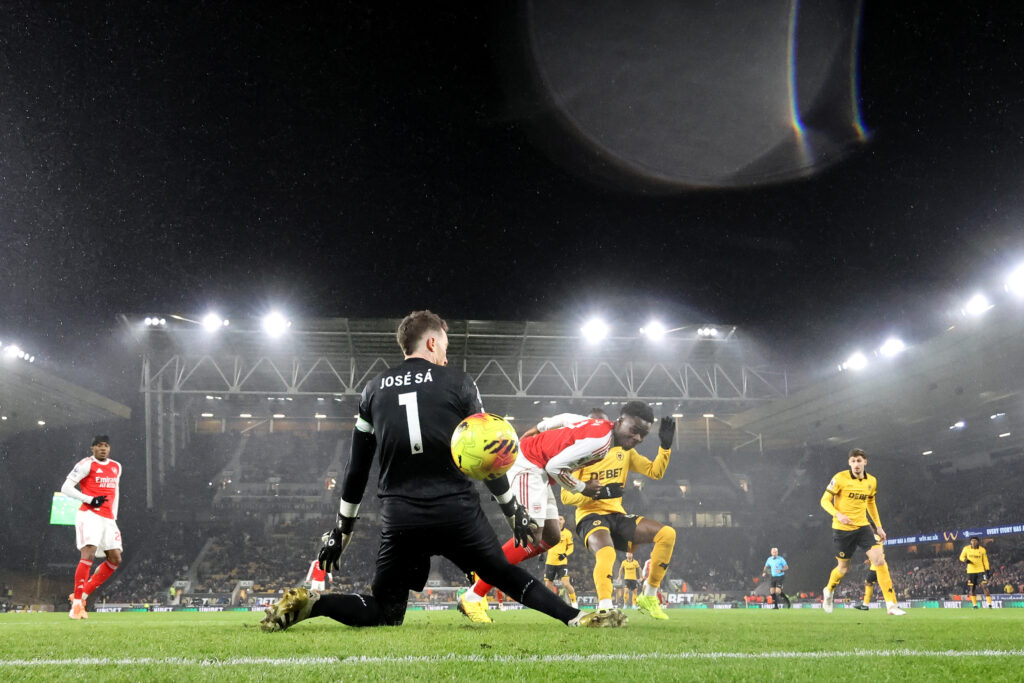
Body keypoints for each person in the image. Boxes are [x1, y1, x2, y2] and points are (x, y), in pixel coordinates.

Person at [260, 311, 625, 632]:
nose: (446, 355)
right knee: (501, 572)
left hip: (400, 516)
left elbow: (357, 468)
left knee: (385, 611)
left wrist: (341, 531)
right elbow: (490, 455)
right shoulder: (460, 383)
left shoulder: (373, 390)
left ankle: (314, 604)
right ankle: (574, 617)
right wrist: (513, 510)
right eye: (445, 346)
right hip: (456, 511)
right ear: (432, 342)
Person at [460, 402, 656, 621]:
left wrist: (540, 427)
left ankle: (483, 578)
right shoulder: (601, 444)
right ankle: (475, 594)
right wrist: (584, 488)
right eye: (634, 430)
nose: (638, 438)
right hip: (530, 466)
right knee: (531, 538)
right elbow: (555, 466)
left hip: (541, 472)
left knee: (552, 536)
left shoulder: (600, 425)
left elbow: (564, 418)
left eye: (644, 435)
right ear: (620, 421)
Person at [560, 412, 676, 620]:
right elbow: (566, 496)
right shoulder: (577, 454)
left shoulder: (624, 451)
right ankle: (605, 607)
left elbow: (655, 472)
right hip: (590, 515)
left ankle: (649, 595)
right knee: (607, 553)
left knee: (667, 534)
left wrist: (665, 447)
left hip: (617, 515)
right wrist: (597, 492)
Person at [819, 448, 905, 616]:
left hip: (863, 527)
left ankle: (891, 604)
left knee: (879, 560)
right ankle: (828, 591)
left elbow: (871, 503)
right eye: (853, 461)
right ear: (849, 463)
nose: (856, 464)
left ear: (865, 462)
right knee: (843, 569)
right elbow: (824, 500)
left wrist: (878, 526)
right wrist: (838, 514)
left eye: (859, 461)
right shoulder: (839, 478)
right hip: (842, 530)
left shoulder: (872, 481)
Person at [60, 435, 123, 620]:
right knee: (89, 553)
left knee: (115, 559)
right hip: (89, 515)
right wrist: (90, 500)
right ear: (92, 448)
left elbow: (115, 491)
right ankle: (77, 606)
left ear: (109, 448)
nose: (103, 449)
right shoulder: (86, 464)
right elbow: (66, 487)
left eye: (106, 446)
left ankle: (82, 594)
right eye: (99, 446)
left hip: (108, 518)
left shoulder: (116, 466)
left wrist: (114, 515)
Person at [543, 515, 579, 608]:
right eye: (557, 519)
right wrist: (541, 554)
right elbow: (544, 543)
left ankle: (574, 603)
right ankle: (553, 603)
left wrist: (565, 554)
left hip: (562, 563)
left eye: (561, 519)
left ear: (564, 521)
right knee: (547, 585)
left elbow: (571, 547)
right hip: (550, 562)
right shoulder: (550, 531)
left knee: (566, 584)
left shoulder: (567, 533)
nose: (559, 520)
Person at [959, 536, 992, 609]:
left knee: (985, 586)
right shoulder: (966, 548)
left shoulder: (982, 550)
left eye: (975, 541)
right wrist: (965, 560)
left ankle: (989, 604)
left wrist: (987, 570)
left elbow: (985, 561)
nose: (973, 542)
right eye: (972, 541)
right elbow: (961, 557)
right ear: (970, 542)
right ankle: (975, 605)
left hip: (981, 571)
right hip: (971, 572)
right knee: (972, 588)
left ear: (978, 542)